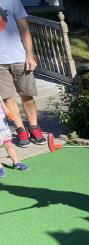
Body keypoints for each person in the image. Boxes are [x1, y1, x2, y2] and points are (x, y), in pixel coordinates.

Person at [0, 0, 46, 147]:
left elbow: (24, 27)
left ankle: (34, 127)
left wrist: (29, 55)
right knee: (8, 98)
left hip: (18, 57)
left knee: (27, 95)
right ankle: (20, 129)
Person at [0, 95, 28, 177]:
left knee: (9, 146)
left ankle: (16, 162)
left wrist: (9, 114)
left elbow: (3, 105)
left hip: (4, 128)